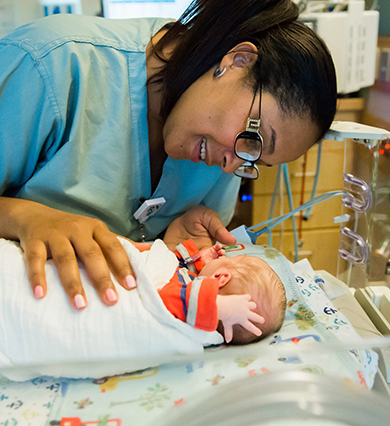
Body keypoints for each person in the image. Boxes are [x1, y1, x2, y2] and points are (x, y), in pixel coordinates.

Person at [0, 0, 337, 311]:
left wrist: (172, 253)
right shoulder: (52, 63)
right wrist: (25, 218)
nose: (230, 164)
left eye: (252, 161)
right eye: (254, 138)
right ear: (237, 62)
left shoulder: (222, 156)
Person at [160, 239, 286, 344]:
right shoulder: (189, 291)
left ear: (220, 277)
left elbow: (164, 298)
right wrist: (197, 263)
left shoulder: (182, 304)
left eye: (230, 259)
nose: (223, 257)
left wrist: (216, 304)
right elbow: (180, 271)